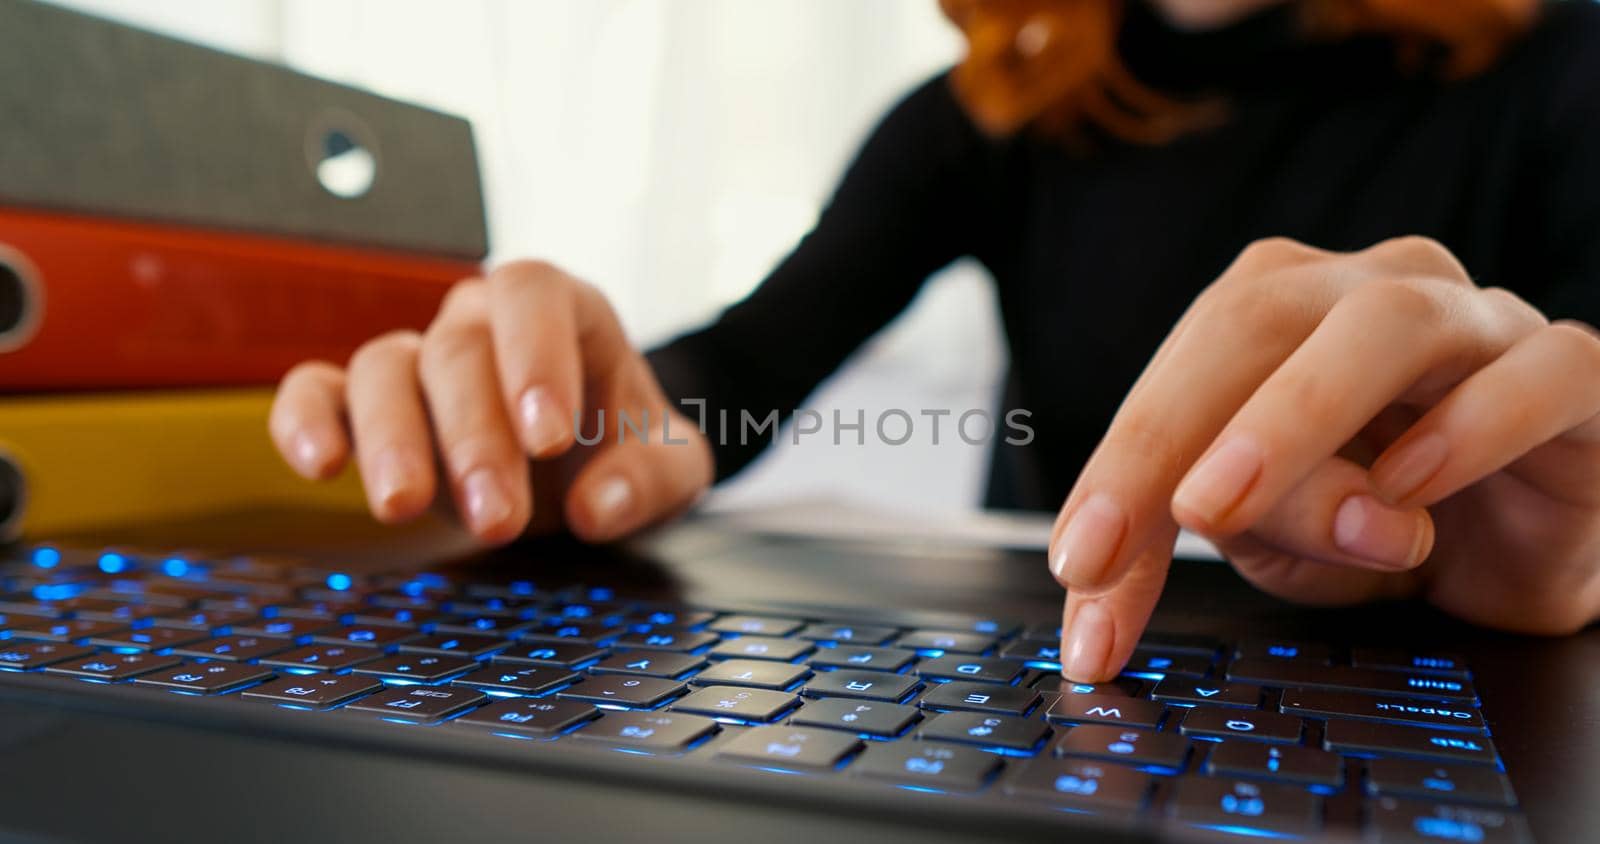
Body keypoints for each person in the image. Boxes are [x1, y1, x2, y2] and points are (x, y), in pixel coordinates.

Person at [268, 0, 1600, 683]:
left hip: (1458, 695)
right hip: (1080, 705)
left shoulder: (1560, 72)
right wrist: (590, 431)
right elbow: (734, 378)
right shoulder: (991, 115)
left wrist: (1571, 556)